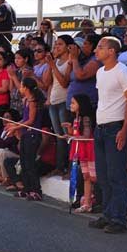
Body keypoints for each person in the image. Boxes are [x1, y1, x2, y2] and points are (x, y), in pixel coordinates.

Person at [90, 36, 127, 233]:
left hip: (115, 129)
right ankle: (107, 214)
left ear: (112, 51)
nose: (97, 50)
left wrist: (124, 129)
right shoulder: (99, 72)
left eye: (100, 47)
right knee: (104, 176)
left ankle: (119, 219)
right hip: (100, 128)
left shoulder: (123, 71)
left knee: (117, 176)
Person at [5, 77, 45, 201]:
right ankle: (27, 189)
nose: (20, 88)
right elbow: (25, 118)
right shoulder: (26, 100)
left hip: (33, 134)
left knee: (30, 163)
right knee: (23, 162)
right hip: (26, 134)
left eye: (22, 86)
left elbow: (31, 120)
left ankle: (36, 190)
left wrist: (16, 127)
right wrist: (15, 125)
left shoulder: (33, 101)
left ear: (26, 88)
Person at [62, 94, 96, 213]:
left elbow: (86, 136)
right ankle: (87, 203)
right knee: (86, 176)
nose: (70, 105)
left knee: (93, 177)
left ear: (81, 105)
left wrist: (73, 138)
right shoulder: (76, 119)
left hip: (88, 149)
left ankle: (94, 198)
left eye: (73, 103)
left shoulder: (85, 118)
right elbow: (76, 134)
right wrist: (70, 132)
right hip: (80, 149)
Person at [45, 36, 71, 176]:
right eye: (55, 45)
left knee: (67, 136)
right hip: (53, 102)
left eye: (60, 44)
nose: (57, 47)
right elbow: (47, 81)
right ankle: (60, 166)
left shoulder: (69, 62)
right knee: (58, 136)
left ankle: (68, 166)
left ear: (68, 46)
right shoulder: (55, 61)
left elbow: (64, 83)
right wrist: (51, 64)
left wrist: (53, 66)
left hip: (64, 102)